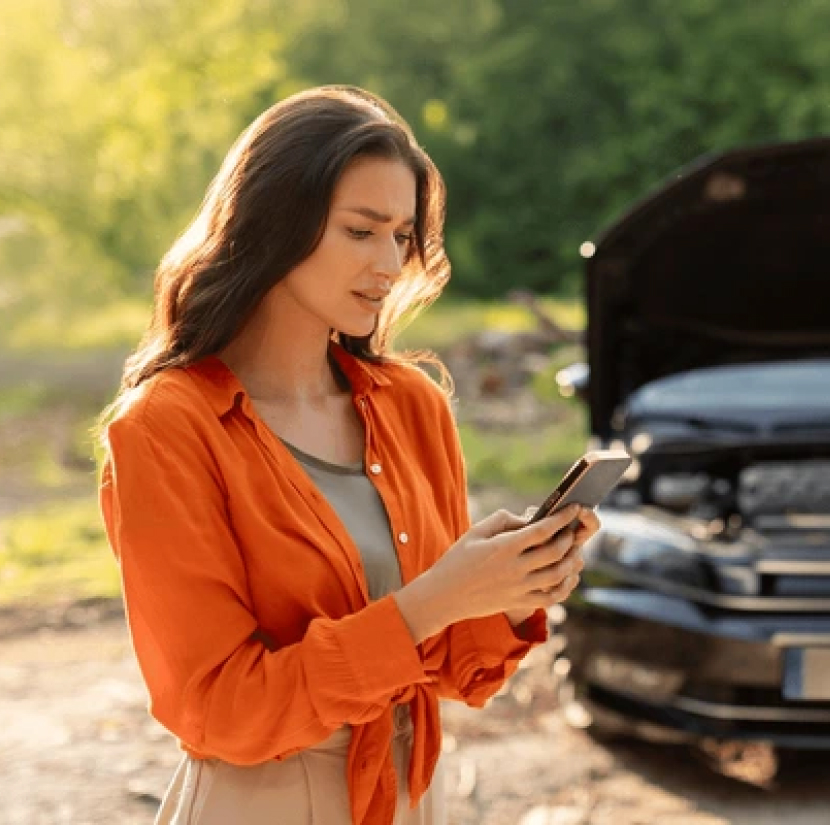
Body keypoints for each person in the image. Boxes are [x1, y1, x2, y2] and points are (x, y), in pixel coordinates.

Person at [96, 85, 600, 825]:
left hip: (407, 798)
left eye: (401, 235)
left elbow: (452, 662)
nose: (390, 263)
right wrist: (432, 601)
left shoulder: (411, 404)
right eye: (361, 231)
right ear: (276, 224)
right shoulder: (167, 429)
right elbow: (218, 709)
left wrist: (512, 589)